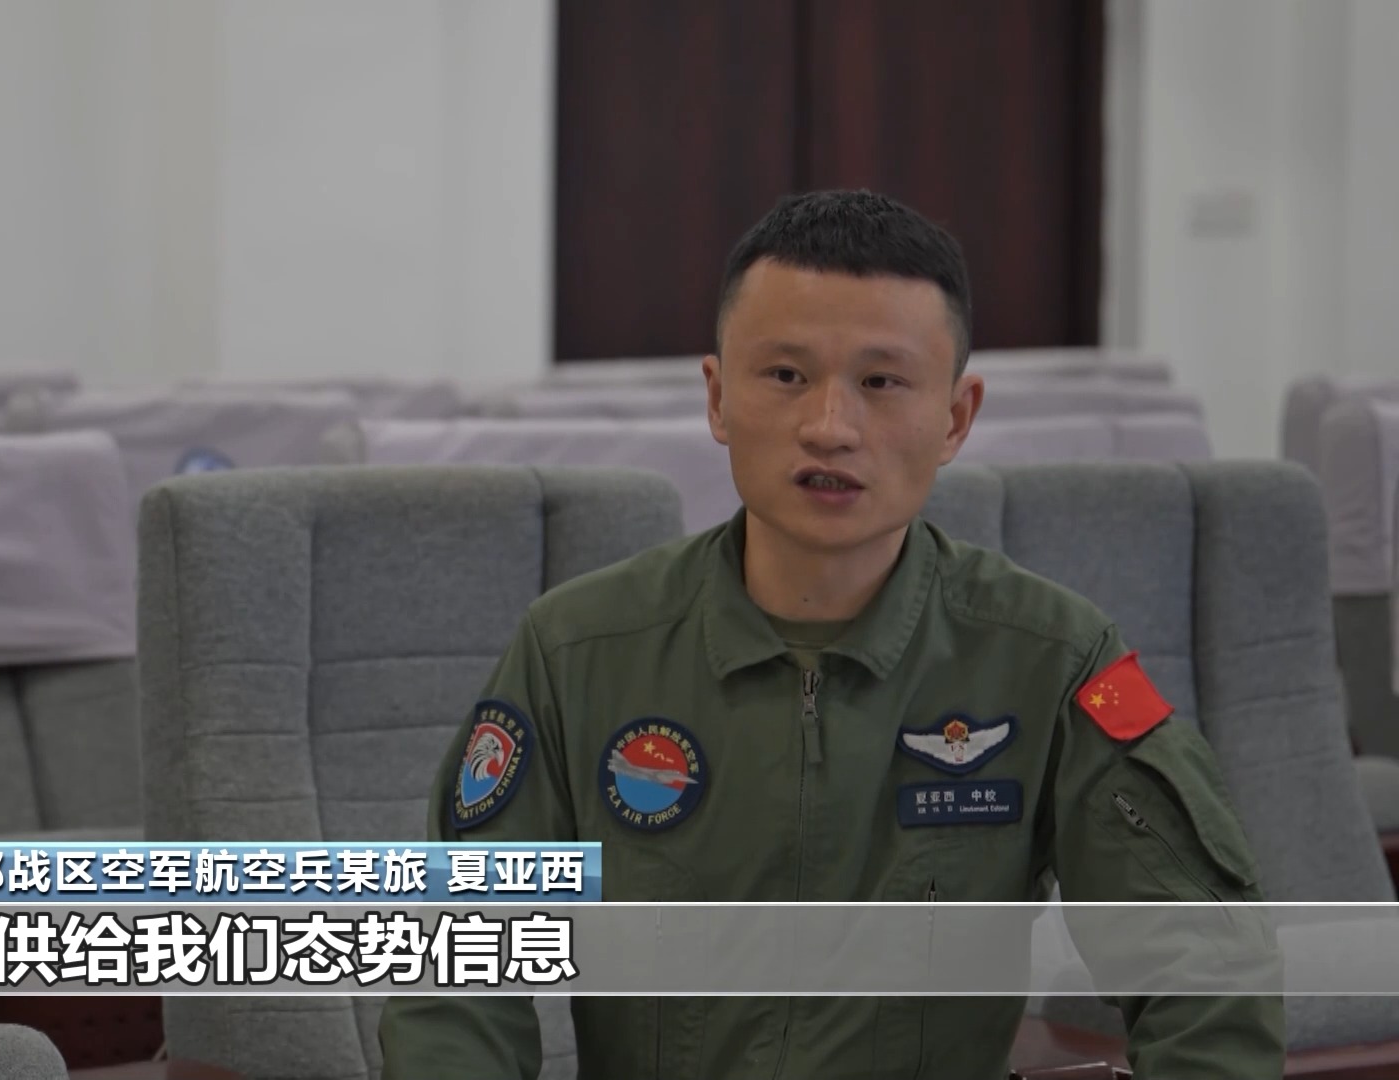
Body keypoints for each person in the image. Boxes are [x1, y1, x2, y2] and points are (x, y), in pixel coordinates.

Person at [377, 190, 1284, 1079]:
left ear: (956, 418)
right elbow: (456, 985)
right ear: (717, 398)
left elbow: (1206, 980)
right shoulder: (576, 652)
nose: (830, 428)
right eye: (786, 376)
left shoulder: (1050, 659)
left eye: (881, 383)